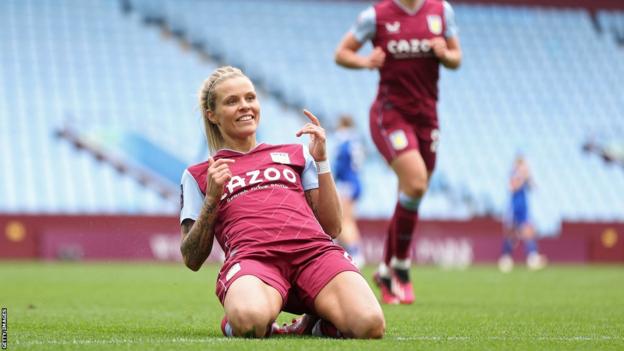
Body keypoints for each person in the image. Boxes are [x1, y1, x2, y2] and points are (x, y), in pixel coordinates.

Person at [179, 66, 385, 339]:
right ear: (212, 115)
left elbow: (333, 227)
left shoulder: (296, 153)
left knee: (370, 324)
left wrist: (321, 161)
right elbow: (192, 258)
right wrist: (212, 199)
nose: (245, 106)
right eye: (232, 101)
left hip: (314, 254)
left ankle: (313, 326)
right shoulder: (199, 174)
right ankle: (247, 320)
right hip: (255, 261)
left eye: (250, 98)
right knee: (250, 322)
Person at [335, 0, 462, 304]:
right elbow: (341, 53)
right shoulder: (376, 16)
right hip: (390, 114)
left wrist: (446, 55)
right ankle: (402, 268)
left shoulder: (441, 11)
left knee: (411, 193)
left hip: (427, 116)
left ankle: (385, 270)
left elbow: (457, 57)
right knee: (416, 182)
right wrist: (367, 62)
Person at [498, 155, 547, 273]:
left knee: (524, 234)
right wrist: (523, 177)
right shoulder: (515, 176)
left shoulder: (524, 178)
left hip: (523, 210)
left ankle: (528, 257)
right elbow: (513, 187)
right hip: (515, 210)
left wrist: (528, 177)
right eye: (523, 165)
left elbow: (534, 187)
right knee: (515, 235)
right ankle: (508, 257)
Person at [332, 114, 366, 268]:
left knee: (345, 221)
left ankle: (355, 253)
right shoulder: (356, 141)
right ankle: (350, 252)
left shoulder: (343, 140)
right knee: (348, 220)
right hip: (356, 181)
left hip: (346, 183)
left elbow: (339, 165)